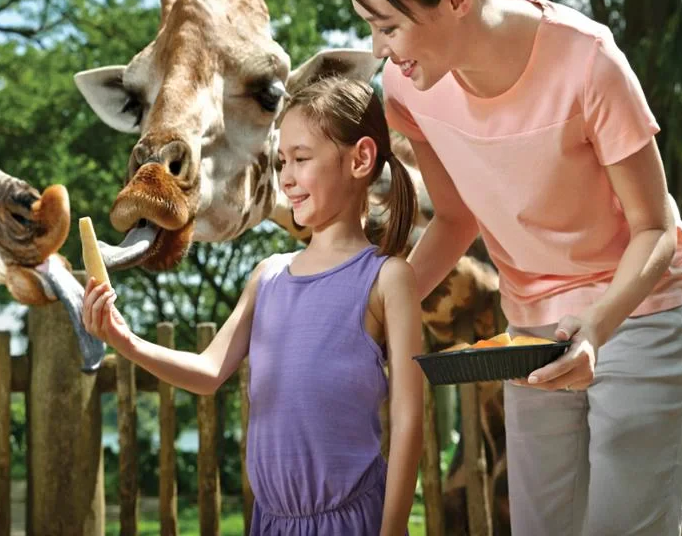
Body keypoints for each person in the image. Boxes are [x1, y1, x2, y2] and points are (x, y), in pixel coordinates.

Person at [336, 0, 682, 536]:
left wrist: (600, 327)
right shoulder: (407, 89)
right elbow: (454, 219)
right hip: (531, 323)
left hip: (639, 307)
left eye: (387, 26)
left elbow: (656, 227)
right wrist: (371, 308)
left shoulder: (588, 63)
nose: (377, 49)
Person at [83, 77, 425, 535]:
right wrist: (123, 340)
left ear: (360, 159)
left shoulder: (387, 278)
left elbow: (408, 421)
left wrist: (392, 532)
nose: (286, 177)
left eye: (302, 159)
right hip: (270, 523)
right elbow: (208, 372)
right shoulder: (268, 276)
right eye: (283, 160)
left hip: (354, 522)